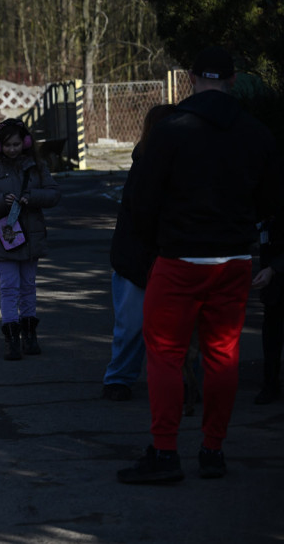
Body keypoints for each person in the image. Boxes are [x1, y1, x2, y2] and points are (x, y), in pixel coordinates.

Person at [117, 46, 282, 484]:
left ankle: (165, 452)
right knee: (223, 356)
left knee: (167, 356)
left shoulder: (170, 130)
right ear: (233, 79)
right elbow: (271, 202)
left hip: (179, 258)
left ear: (191, 77)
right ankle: (213, 450)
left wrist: (155, 244)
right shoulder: (257, 133)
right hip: (232, 259)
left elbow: (140, 200)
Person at [102, 104, 176, 401]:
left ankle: (122, 379)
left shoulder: (149, 161)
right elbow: (141, 217)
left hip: (148, 255)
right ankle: (120, 378)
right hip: (139, 257)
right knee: (134, 325)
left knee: (140, 326)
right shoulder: (145, 164)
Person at [0, 118, 61, 360]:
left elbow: (54, 194)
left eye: (16, 144)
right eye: (8, 145)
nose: (12, 149)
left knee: (28, 286)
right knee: (9, 287)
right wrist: (2, 201)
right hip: (4, 238)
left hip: (30, 237)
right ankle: (11, 336)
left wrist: (31, 197)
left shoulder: (37, 166)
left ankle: (30, 334)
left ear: (26, 143)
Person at [253, 214, 284, 404]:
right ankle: (270, 383)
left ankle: (271, 384)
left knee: (272, 332)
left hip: (274, 273)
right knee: (272, 332)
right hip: (273, 281)